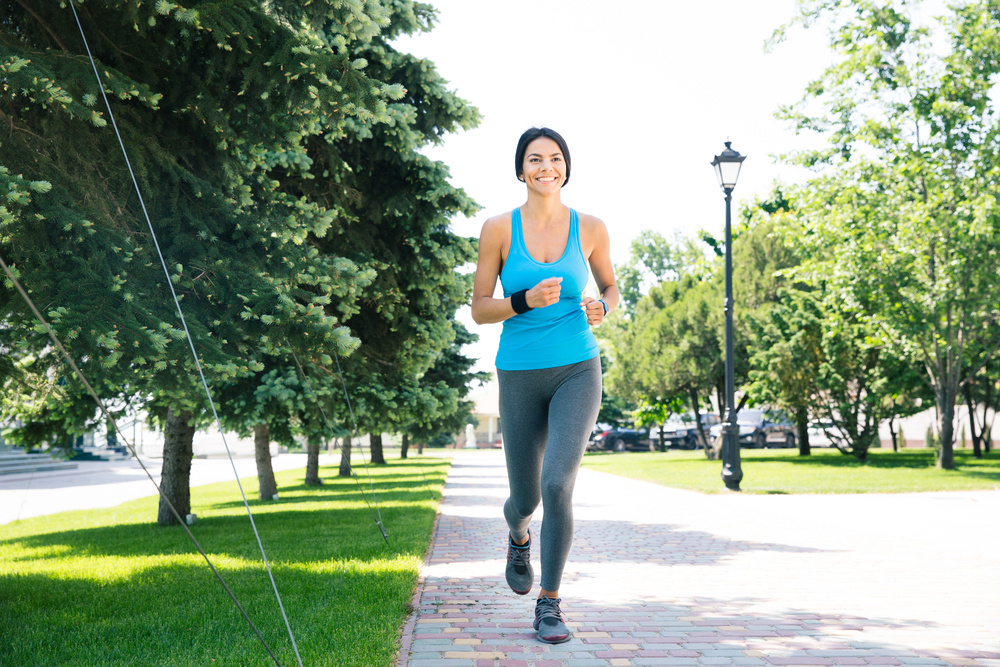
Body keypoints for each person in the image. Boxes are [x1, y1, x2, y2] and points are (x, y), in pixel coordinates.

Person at [470, 127, 619, 644]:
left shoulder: (592, 227)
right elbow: (478, 309)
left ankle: (550, 604)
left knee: (558, 483)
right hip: (518, 373)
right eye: (535, 159)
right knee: (526, 497)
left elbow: (610, 286)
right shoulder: (498, 230)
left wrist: (604, 306)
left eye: (555, 159)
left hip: (578, 367)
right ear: (521, 170)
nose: (545, 167)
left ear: (566, 167)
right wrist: (523, 301)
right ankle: (517, 535)